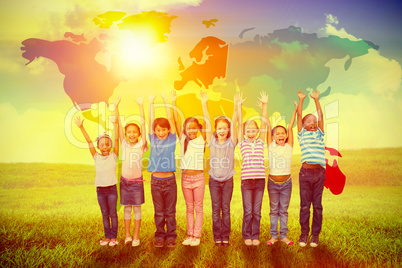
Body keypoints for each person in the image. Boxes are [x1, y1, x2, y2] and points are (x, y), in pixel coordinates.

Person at [74, 100, 120, 247]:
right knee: (105, 214)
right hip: (100, 190)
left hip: (112, 189)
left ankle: (114, 238)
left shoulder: (114, 155)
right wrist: (82, 127)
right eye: (102, 144)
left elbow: (118, 138)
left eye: (108, 144)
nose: (105, 146)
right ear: (99, 147)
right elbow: (89, 142)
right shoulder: (96, 156)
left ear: (111, 146)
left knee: (113, 213)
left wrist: (115, 124)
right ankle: (107, 237)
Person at [201, 91, 240, 247]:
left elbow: (235, 122)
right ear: (216, 130)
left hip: (228, 181)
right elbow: (208, 124)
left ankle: (226, 236)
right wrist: (204, 104)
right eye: (219, 128)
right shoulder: (212, 141)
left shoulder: (231, 143)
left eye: (225, 128)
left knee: (226, 209)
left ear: (228, 130)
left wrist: (236, 106)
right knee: (216, 209)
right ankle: (217, 236)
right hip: (214, 182)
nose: (222, 130)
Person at [172, 91, 207, 247]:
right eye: (188, 128)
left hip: (199, 179)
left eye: (194, 128)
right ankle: (190, 234)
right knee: (189, 208)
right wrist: (173, 102)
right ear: (185, 130)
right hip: (185, 179)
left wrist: (204, 103)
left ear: (198, 129)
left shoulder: (201, 140)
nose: (191, 131)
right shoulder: (182, 139)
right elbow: (175, 121)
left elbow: (208, 123)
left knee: (198, 207)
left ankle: (197, 236)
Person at [296, 89, 326, 248]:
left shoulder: (320, 133)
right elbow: (299, 117)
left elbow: (321, 116)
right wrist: (301, 100)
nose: (313, 123)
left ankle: (315, 235)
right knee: (305, 205)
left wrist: (316, 99)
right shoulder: (301, 135)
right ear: (303, 125)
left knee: (318, 205)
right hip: (306, 174)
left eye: (314, 121)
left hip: (319, 173)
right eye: (309, 121)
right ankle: (303, 234)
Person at [147, 93, 178, 248]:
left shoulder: (171, 140)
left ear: (168, 130)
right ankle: (160, 236)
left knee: (170, 212)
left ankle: (171, 236)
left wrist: (167, 102)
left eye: (163, 130)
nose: (161, 132)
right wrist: (151, 102)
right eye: (158, 130)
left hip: (170, 181)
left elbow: (171, 120)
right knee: (159, 212)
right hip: (156, 182)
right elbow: (150, 121)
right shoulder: (152, 140)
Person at [238, 91, 268, 246]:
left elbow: (263, 123)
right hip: (247, 182)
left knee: (257, 211)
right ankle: (247, 235)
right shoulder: (242, 143)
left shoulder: (260, 142)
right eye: (248, 130)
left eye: (253, 130)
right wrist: (239, 106)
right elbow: (237, 124)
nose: (250, 133)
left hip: (260, 181)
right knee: (248, 211)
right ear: (244, 132)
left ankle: (255, 235)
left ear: (257, 132)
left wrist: (264, 106)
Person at [265, 101, 297, 246]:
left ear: (286, 136)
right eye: (277, 133)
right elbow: (268, 126)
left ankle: (283, 236)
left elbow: (290, 126)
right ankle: (273, 236)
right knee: (273, 210)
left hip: (286, 184)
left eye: (282, 133)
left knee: (283, 210)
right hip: (272, 183)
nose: (280, 135)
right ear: (272, 137)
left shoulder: (289, 147)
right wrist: (265, 106)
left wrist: (296, 109)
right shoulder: (271, 146)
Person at [116, 97, 147, 247]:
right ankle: (127, 235)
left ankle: (136, 236)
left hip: (136, 183)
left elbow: (143, 123)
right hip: (124, 182)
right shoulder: (124, 144)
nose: (132, 134)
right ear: (126, 134)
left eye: (135, 132)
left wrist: (141, 105)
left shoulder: (142, 145)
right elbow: (119, 125)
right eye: (129, 132)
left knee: (137, 209)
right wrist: (116, 107)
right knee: (127, 209)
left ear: (139, 134)